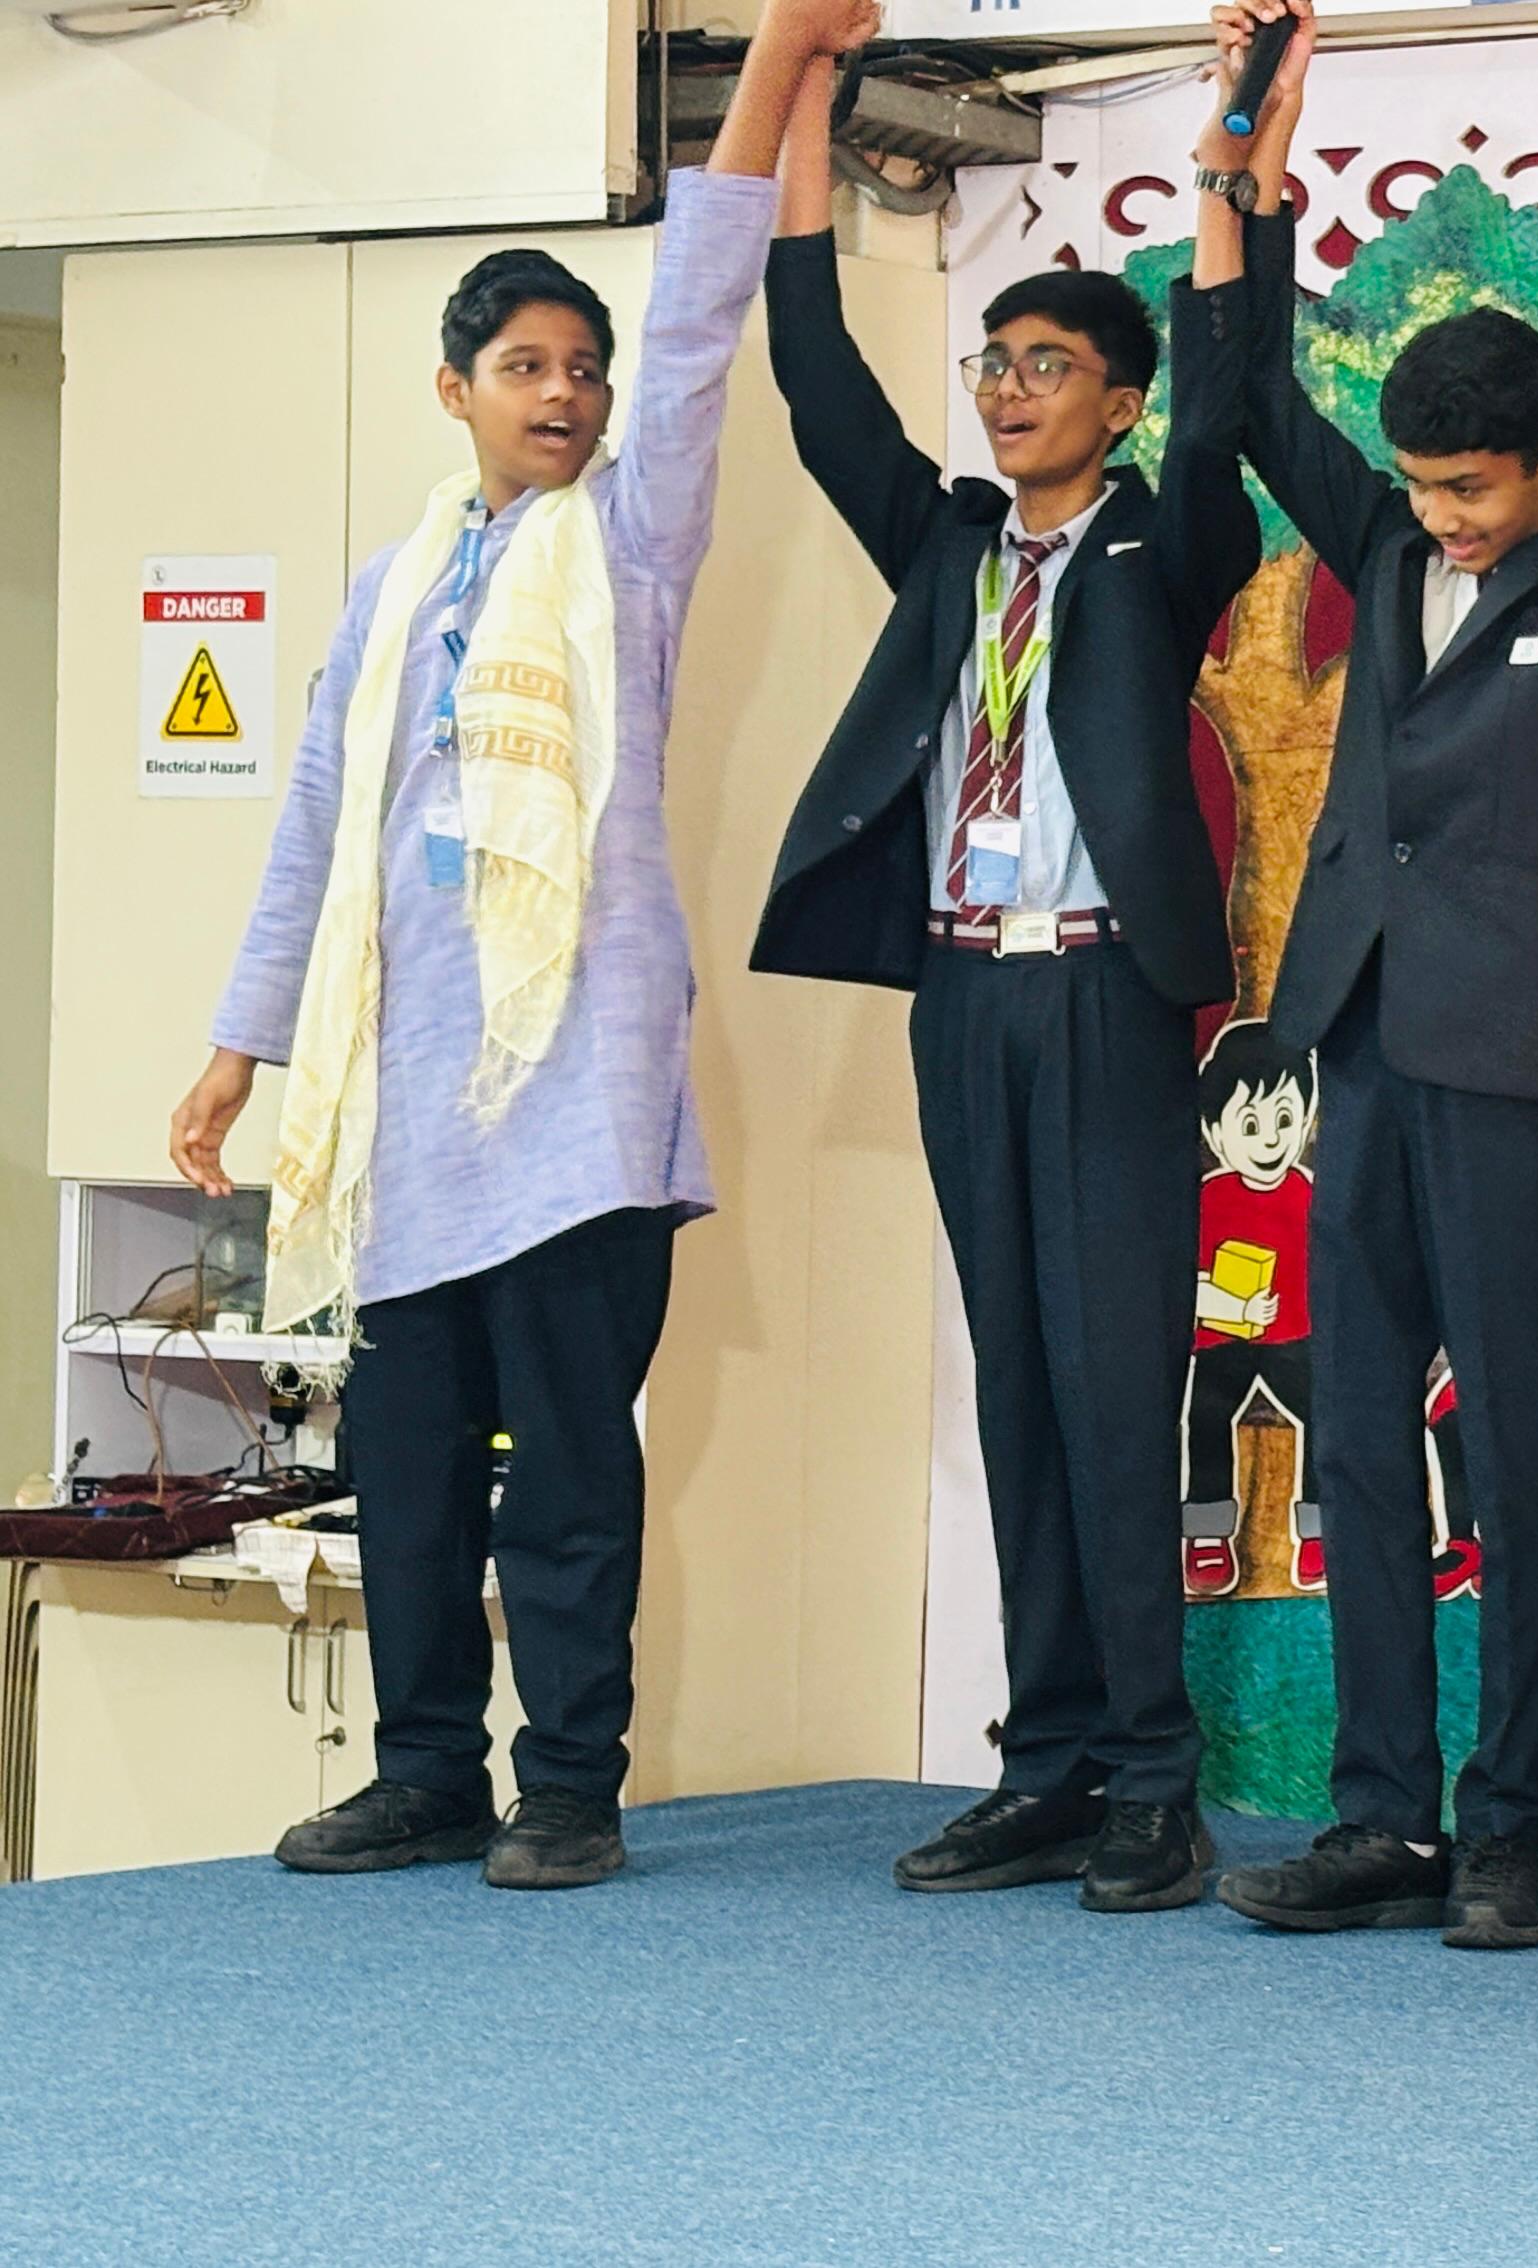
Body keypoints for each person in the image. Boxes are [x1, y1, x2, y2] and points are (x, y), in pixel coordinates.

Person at [159, 2, 855, 1892]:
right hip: (406, 1111)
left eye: (584, 369)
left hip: (579, 1102)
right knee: (401, 1465)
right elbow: (317, 832)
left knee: (566, 1464)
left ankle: (567, 1787)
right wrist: (238, 1050)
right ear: (453, 391)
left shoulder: (629, 545)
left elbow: (699, 323)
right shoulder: (389, 595)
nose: (567, 393)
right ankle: (421, 1773)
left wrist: (780, 61)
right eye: (526, 366)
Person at [1186, 0, 1538, 1956]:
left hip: (1509, 1058)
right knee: (1354, 1436)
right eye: (1419, 486)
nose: (1437, 517)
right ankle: (1381, 1817)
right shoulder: (1389, 533)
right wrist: (1244, 182)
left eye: (1474, 490)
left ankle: (1502, 1833)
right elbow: (1249, 398)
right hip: (1362, 1036)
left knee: (1510, 1440)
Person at [744, 22, 1269, 1912]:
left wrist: (1232, 160)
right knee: (1020, 1390)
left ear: (1118, 404)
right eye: (992, 361)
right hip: (965, 994)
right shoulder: (950, 546)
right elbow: (818, 389)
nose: (1007, 391)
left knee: (1116, 1381)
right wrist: (804, 96)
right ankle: (1045, 1763)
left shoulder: (1163, 545)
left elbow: (1232, 394)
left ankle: (1155, 1783)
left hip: (1107, 996)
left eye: (1049, 367)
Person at [1181, 1016, 1323, 1602]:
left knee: (1326, 1414)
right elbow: (1182, 1281)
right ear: (1215, 1134)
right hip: (1223, 1340)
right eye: (1250, 1124)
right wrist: (1226, 1302)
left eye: (1284, 1120)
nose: (1269, 1140)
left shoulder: (1310, 1195)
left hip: (1294, 1337)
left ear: (1307, 1122)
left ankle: (1319, 1529)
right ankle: (1208, 1532)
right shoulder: (1208, 1199)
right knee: (1206, 1417)